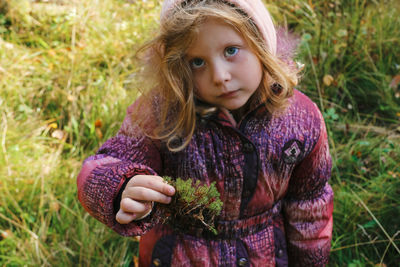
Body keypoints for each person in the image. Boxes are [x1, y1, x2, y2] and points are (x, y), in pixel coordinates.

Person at [77, 0, 333, 266]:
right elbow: (109, 161)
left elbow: (310, 204)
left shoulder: (300, 119)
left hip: (265, 254)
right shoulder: (163, 113)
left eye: (231, 50)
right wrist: (120, 188)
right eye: (198, 62)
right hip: (180, 254)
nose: (219, 76)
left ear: (261, 45)